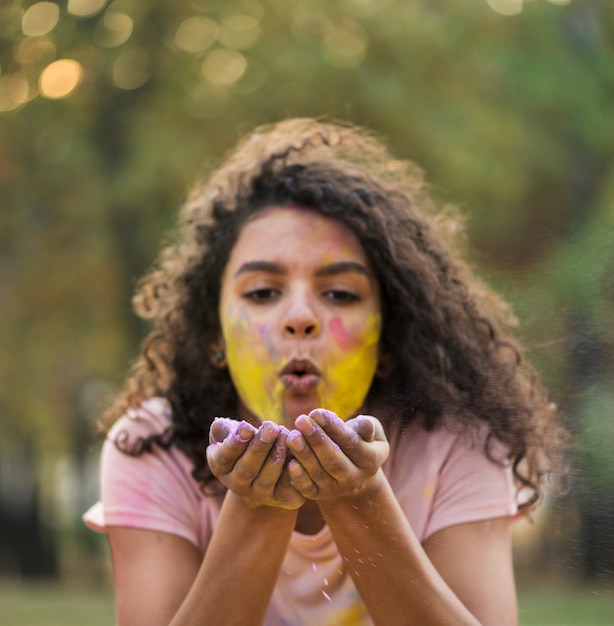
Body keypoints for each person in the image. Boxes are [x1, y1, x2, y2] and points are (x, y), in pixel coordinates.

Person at [84, 118, 565, 626]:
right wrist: (256, 506)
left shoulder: (457, 442)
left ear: (389, 339)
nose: (300, 317)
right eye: (263, 293)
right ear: (213, 335)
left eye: (340, 293)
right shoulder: (152, 445)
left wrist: (360, 499)